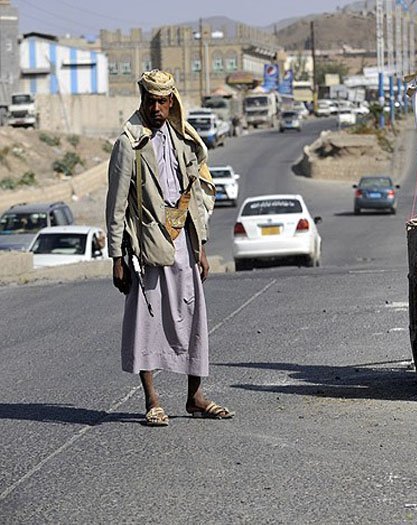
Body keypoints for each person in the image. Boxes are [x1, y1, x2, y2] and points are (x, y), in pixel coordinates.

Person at [106, 69, 231, 426]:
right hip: (147, 244)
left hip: (183, 242)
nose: (157, 109)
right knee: (146, 320)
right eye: (151, 102)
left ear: (172, 101)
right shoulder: (129, 144)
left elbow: (193, 195)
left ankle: (195, 397)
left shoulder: (182, 138)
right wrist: (117, 257)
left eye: (163, 102)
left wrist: (200, 246)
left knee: (192, 317)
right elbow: (116, 204)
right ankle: (152, 400)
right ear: (143, 100)